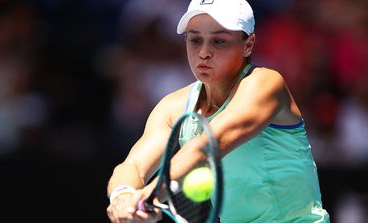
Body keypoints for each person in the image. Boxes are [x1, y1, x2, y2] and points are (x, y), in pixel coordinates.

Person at [106, 0, 330, 222]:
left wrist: (154, 193)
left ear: (248, 45)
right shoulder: (173, 106)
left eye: (219, 41)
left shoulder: (266, 83)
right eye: (194, 40)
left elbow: (209, 145)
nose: (203, 53)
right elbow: (133, 166)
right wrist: (122, 197)